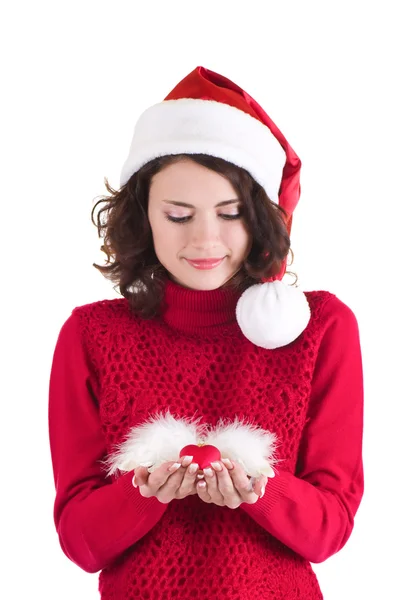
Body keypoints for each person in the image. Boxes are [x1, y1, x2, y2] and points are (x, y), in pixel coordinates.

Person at [48, 66, 364, 600]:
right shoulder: (91, 335)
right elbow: (81, 543)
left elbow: (329, 530)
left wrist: (262, 491)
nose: (204, 239)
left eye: (231, 213)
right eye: (177, 215)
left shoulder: (322, 328)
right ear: (142, 215)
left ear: (263, 216)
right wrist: (141, 493)